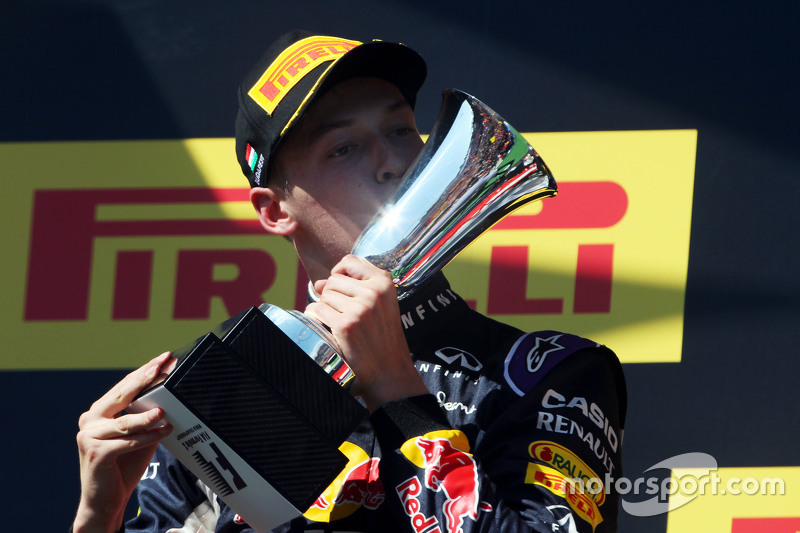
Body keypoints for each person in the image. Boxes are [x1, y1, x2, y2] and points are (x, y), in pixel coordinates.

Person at [73, 30, 627, 533]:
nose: (392, 163)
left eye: (401, 130)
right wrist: (100, 518)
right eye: (344, 147)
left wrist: (398, 393)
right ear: (274, 212)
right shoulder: (217, 399)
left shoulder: (546, 373)